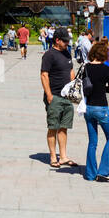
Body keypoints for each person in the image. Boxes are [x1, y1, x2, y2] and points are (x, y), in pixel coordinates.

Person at [40, 28, 76, 170]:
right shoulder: (49, 55)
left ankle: (63, 156)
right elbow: (44, 75)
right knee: (53, 127)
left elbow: (71, 71)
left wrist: (73, 89)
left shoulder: (67, 52)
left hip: (67, 97)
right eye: (65, 41)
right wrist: (49, 95)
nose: (67, 43)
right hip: (54, 96)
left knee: (64, 127)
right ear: (57, 40)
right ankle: (53, 157)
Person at [81, 39, 109, 182]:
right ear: (104, 55)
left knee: (92, 142)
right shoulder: (105, 69)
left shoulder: (86, 68)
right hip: (101, 107)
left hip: (88, 108)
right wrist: (102, 88)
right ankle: (103, 171)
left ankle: (90, 174)